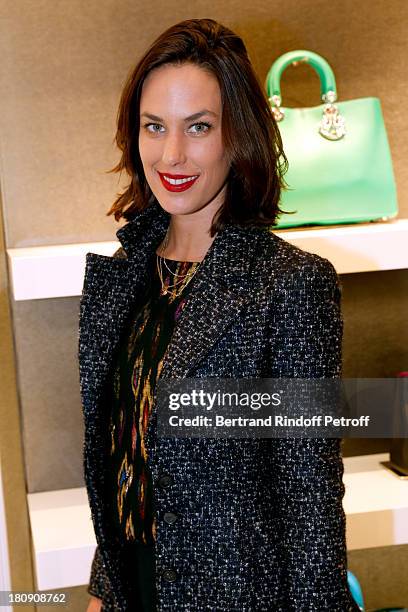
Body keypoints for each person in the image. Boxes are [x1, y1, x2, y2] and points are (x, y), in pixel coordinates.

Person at [78, 18, 360, 612]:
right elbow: (128, 455)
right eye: (154, 127)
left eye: (199, 127)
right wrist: (105, 588)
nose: (171, 154)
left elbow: (310, 505)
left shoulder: (290, 286)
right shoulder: (121, 279)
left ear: (239, 136)